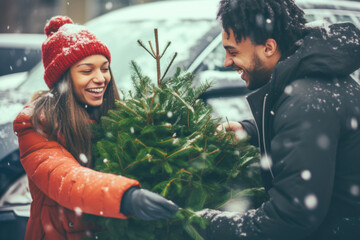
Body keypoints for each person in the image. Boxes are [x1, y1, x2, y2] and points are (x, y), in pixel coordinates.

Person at [197, 0, 360, 239]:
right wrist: (249, 130)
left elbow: (290, 218)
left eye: (233, 51)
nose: (226, 62)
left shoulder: (305, 101)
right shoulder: (312, 81)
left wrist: (203, 224)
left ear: (269, 47)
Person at [13, 16, 178, 240]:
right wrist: (126, 197)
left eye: (105, 68)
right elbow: (69, 181)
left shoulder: (116, 118)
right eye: (87, 70)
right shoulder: (37, 125)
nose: (101, 78)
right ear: (64, 78)